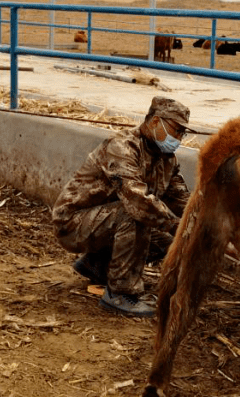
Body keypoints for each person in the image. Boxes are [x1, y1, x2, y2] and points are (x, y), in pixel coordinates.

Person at [52, 96, 192, 317]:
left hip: (104, 222)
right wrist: (179, 226)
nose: (179, 138)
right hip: (72, 223)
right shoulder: (122, 147)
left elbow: (182, 201)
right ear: (155, 122)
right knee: (136, 214)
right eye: (176, 130)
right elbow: (137, 201)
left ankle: (97, 264)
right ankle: (121, 293)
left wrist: (200, 226)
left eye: (183, 133)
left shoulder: (167, 159)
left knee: (169, 241)